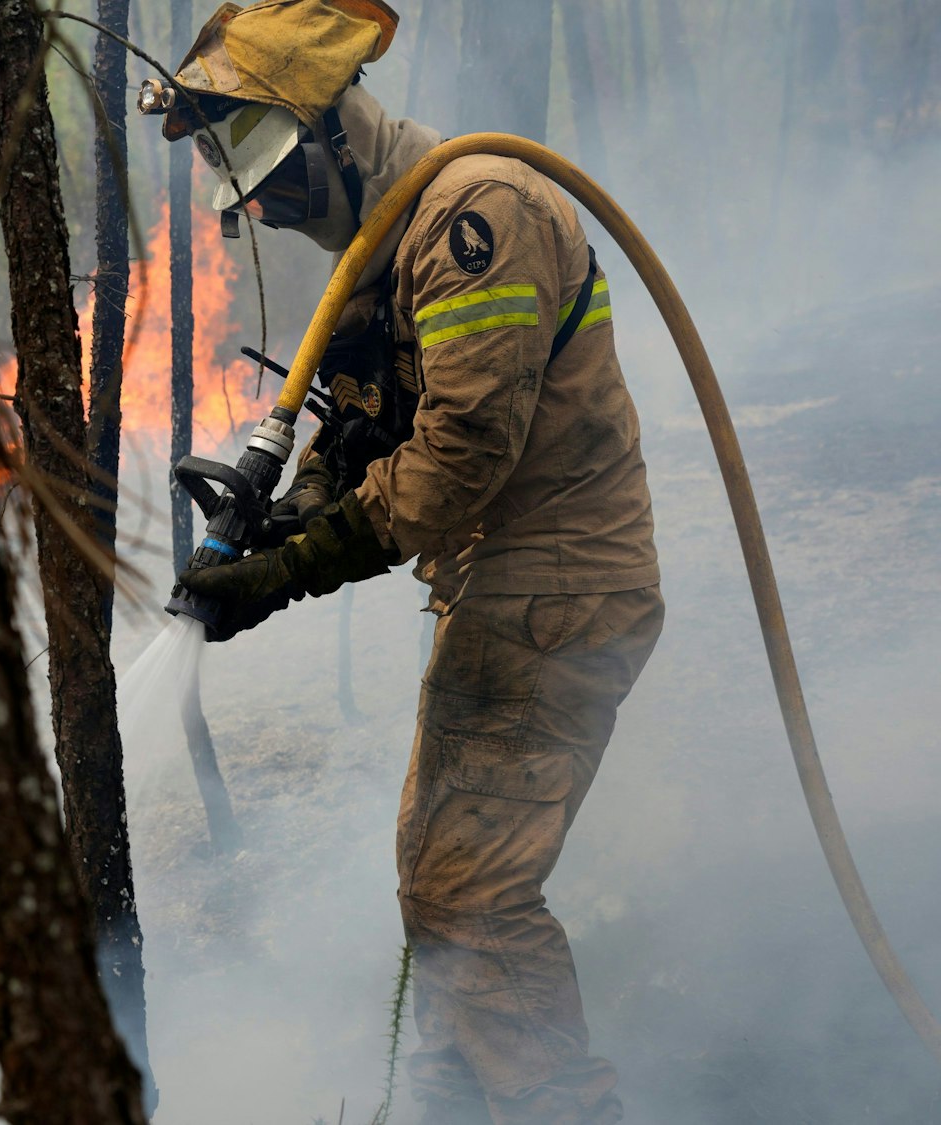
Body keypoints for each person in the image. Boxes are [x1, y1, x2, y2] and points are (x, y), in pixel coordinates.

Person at [151, 3, 662, 1122]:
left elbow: (459, 460)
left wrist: (290, 573)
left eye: (282, 182)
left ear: (340, 132)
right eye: (258, 197)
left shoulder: (478, 213)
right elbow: (372, 431)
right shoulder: (385, 255)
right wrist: (290, 513)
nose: (276, 213)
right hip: (504, 592)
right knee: (439, 887)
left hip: (555, 588)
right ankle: (452, 1104)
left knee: (466, 891)